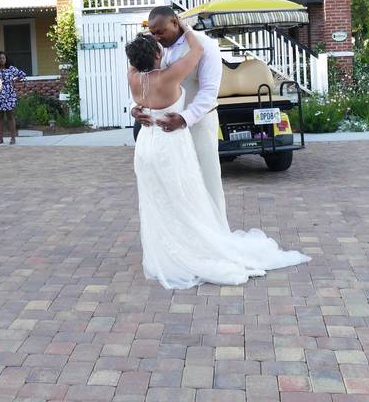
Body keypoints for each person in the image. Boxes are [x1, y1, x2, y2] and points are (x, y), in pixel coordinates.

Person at [127, 29, 309, 289]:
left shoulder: (133, 77)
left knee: (159, 200)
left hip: (145, 147)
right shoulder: (168, 76)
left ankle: (168, 252)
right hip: (170, 144)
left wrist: (136, 105)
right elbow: (198, 50)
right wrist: (185, 28)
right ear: (157, 54)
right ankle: (198, 247)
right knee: (187, 197)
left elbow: (140, 69)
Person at [135, 6, 228, 228]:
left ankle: (218, 233)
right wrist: (135, 107)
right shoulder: (155, 47)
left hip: (199, 123)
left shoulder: (205, 45)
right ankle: (187, 234)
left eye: (160, 32)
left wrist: (184, 118)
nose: (156, 37)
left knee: (207, 179)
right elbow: (143, 79)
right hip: (165, 128)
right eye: (153, 32)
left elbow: (209, 92)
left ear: (175, 22)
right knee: (174, 183)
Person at [0, 51, 26, 145]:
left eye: (4, 58)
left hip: (9, 94)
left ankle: (13, 138)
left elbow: (22, 74)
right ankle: (0, 138)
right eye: (0, 58)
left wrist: (14, 81)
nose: (2, 60)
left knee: (10, 116)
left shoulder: (11, 69)